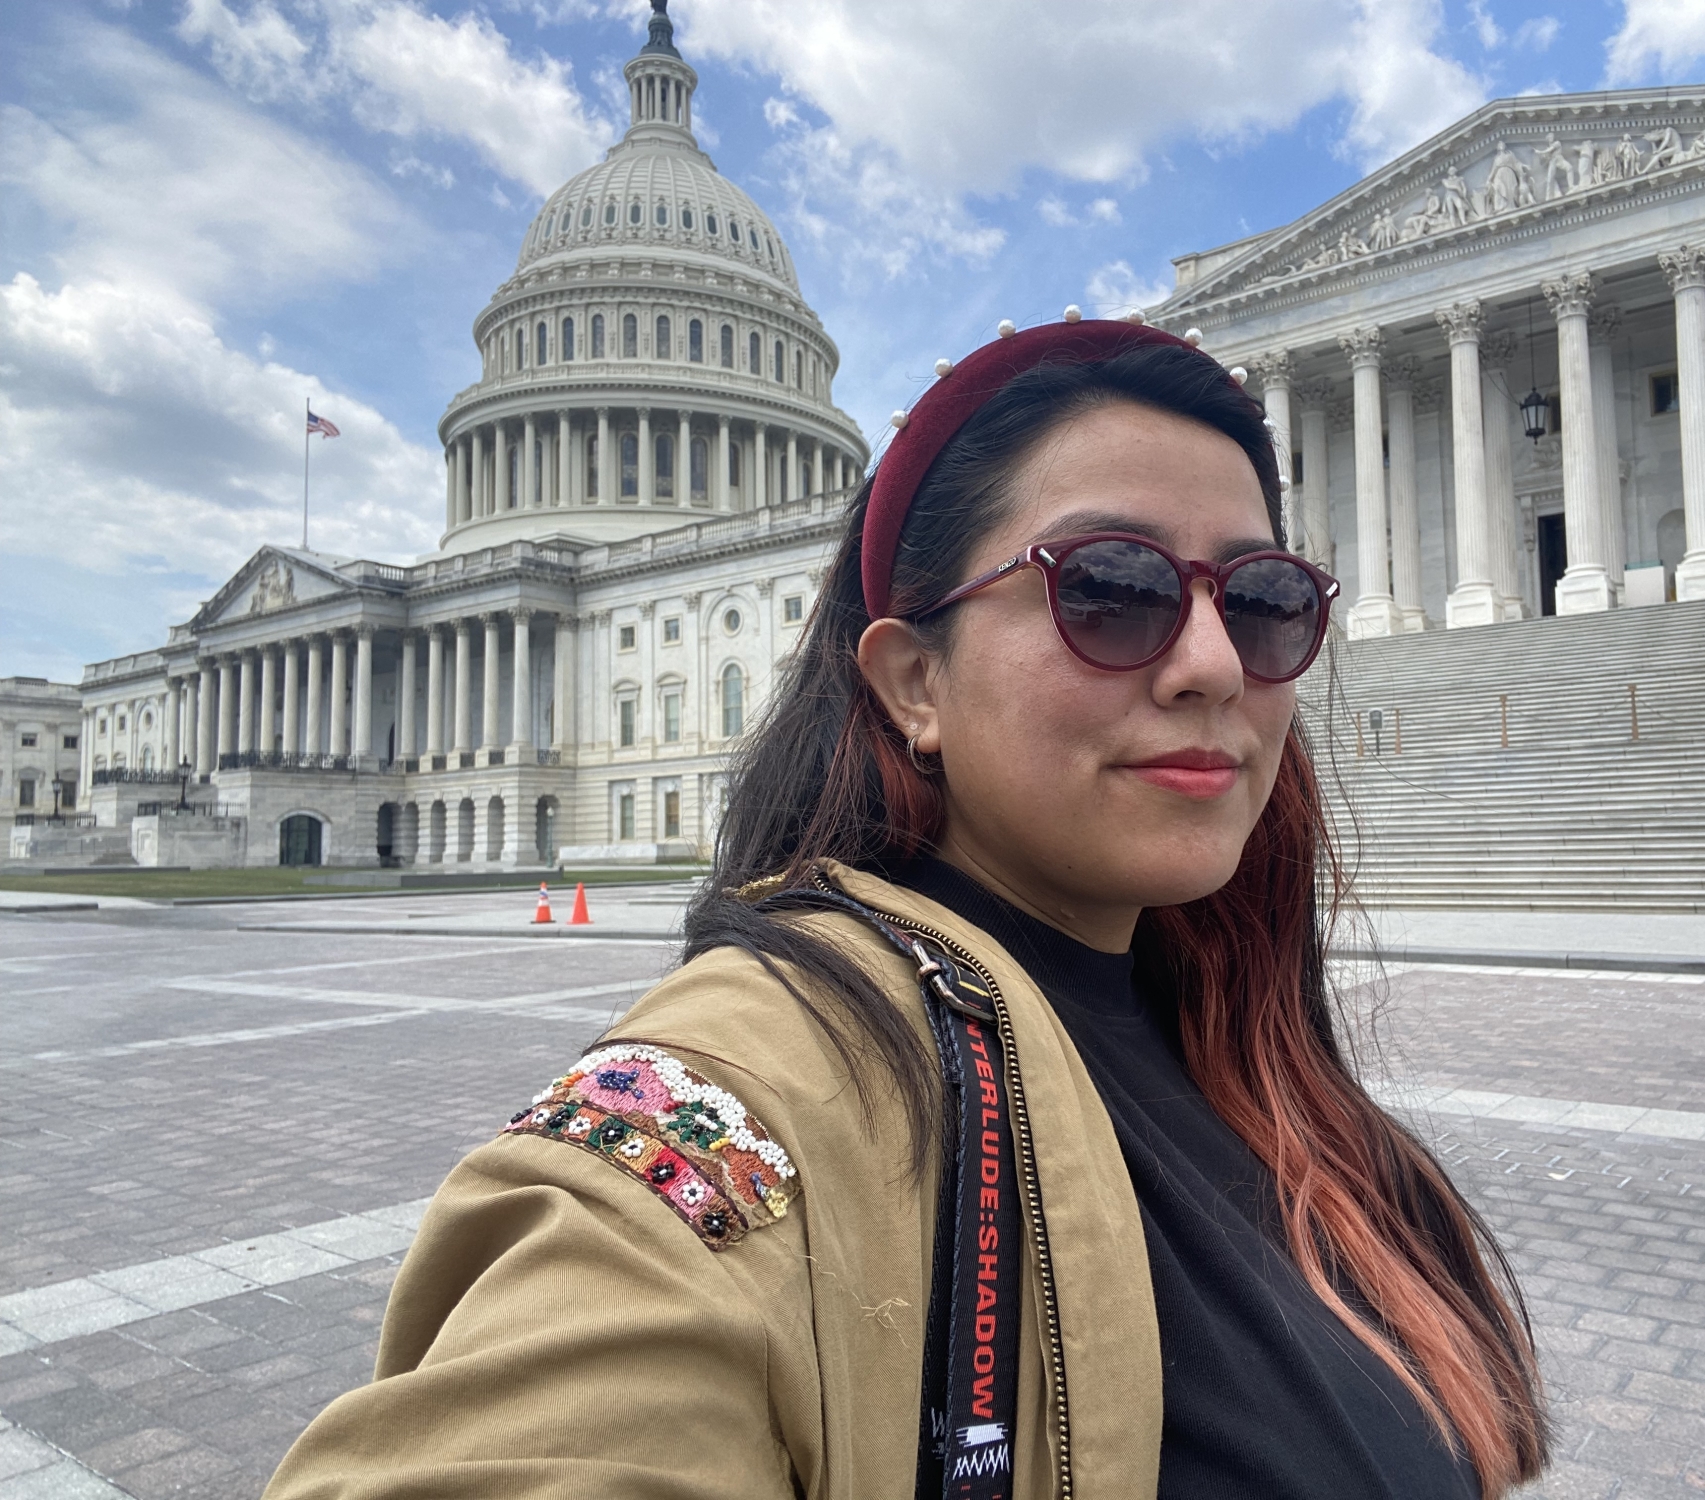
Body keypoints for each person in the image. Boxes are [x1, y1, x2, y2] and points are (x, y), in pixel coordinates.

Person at [263, 316, 1547, 1500]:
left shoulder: (1237, 1038)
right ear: (911, 680)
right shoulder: (771, 1066)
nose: (1211, 664)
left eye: (1261, 600)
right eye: (1110, 588)